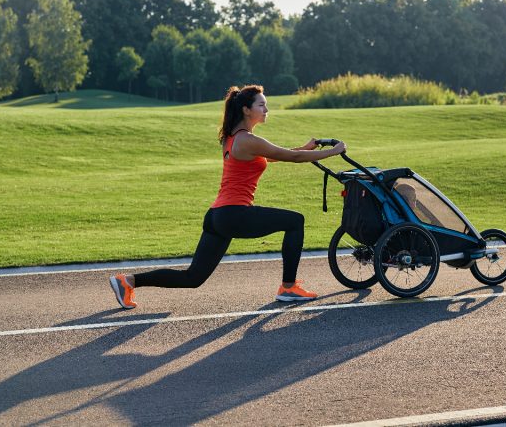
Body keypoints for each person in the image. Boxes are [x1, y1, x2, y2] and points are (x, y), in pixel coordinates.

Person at [109, 84, 346, 309]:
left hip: (217, 216)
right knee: (295, 221)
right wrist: (334, 152)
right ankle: (288, 287)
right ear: (246, 109)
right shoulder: (247, 140)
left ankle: (128, 281)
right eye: (261, 105)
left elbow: (274, 155)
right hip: (235, 213)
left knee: (193, 277)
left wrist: (305, 148)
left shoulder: (234, 138)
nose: (266, 110)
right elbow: (289, 158)